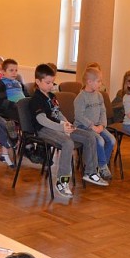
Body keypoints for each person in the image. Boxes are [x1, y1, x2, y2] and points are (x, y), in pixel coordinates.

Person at [31, 64, 104, 203]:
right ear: (38, 81)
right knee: (68, 142)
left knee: (89, 136)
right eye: (48, 82)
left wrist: (66, 123)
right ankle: (62, 181)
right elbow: (42, 120)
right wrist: (61, 128)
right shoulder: (36, 99)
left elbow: (58, 113)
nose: (51, 85)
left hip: (59, 127)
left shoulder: (51, 96)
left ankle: (90, 172)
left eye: (52, 82)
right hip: (44, 130)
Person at [73, 66, 116, 181]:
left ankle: (102, 164)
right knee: (100, 140)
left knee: (112, 140)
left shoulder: (99, 95)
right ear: (89, 82)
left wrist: (102, 125)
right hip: (84, 126)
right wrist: (92, 126)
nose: (101, 84)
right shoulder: (81, 97)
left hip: (98, 125)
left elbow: (103, 111)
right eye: (99, 81)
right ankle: (102, 166)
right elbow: (79, 116)